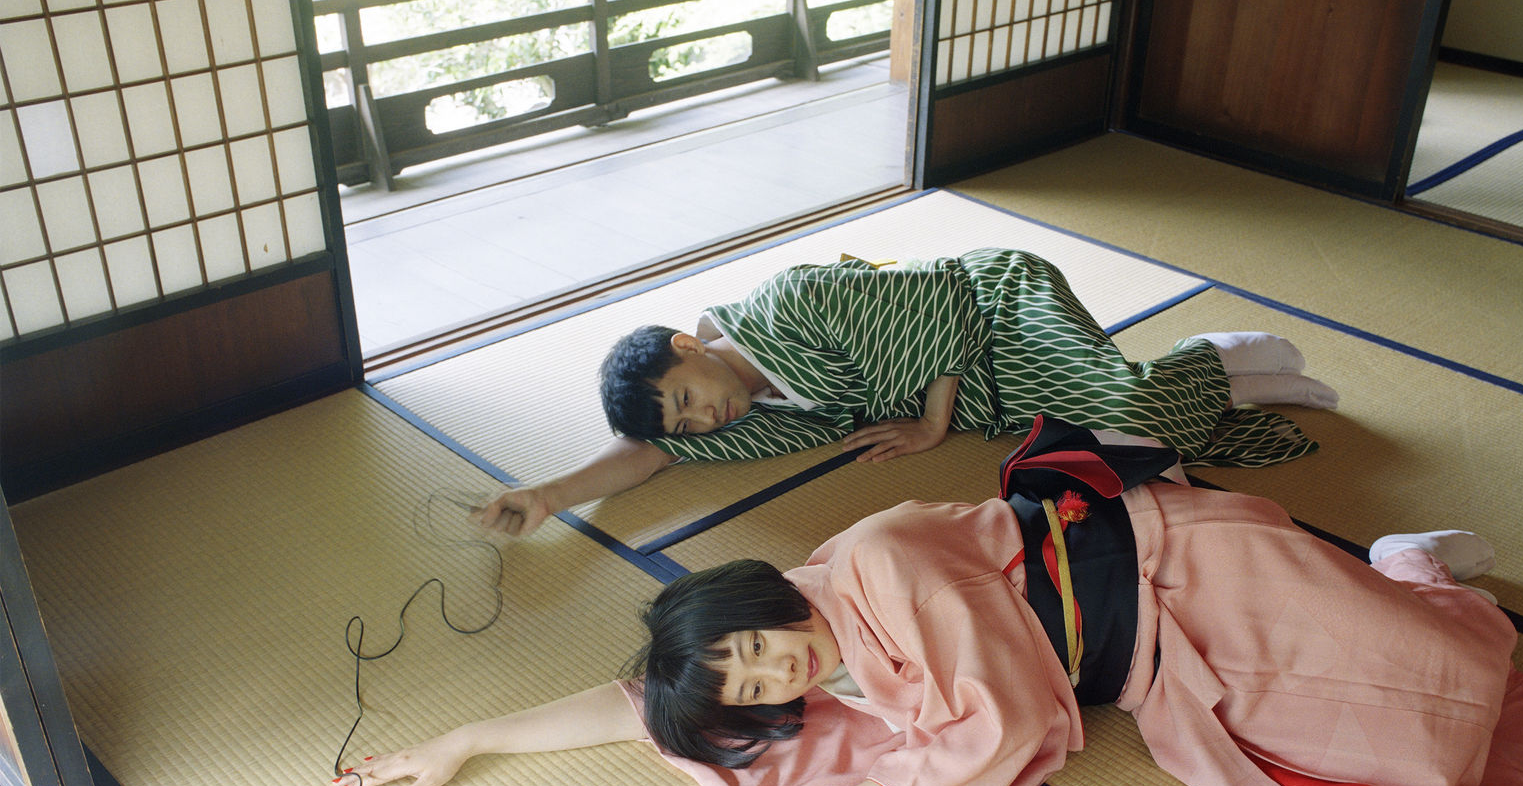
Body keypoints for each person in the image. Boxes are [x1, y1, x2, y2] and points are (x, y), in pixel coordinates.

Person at [340, 424, 1523, 786]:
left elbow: (1007, 725)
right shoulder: (812, 655)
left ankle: (1405, 568)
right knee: (1420, 755)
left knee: (1457, 691)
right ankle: (1395, 583)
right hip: (1154, 667)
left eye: (758, 649)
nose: (779, 675)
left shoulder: (879, 562)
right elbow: (638, 703)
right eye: (756, 689)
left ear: (757, 595)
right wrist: (465, 737)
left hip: (1192, 574)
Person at [473, 248, 1339, 535]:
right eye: (691, 421)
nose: (707, 417)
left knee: (1125, 415)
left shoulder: (792, 302)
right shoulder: (751, 412)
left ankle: (1208, 355)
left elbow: (940, 304)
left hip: (994, 309)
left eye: (689, 393)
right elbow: (650, 452)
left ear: (689, 345)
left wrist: (929, 427)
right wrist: (548, 494)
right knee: (1105, 460)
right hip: (983, 392)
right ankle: (1217, 385)